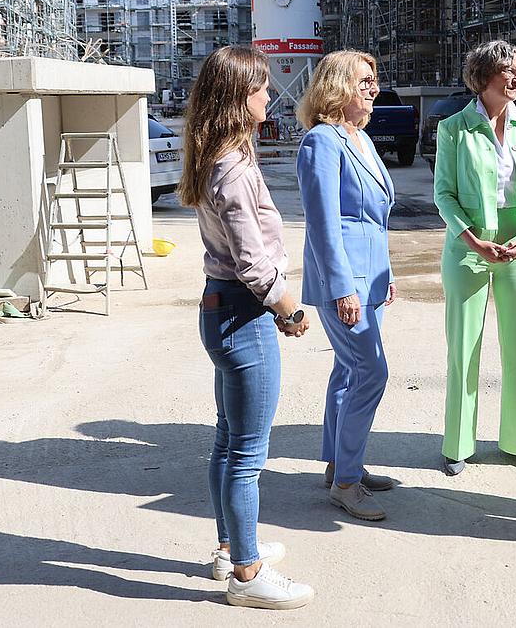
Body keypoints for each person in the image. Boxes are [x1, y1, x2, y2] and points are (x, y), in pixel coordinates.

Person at [178, 46, 313, 609]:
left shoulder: (221, 155)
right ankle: (247, 573)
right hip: (242, 312)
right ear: (238, 99)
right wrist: (289, 309)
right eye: (259, 88)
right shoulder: (232, 169)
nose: (267, 96)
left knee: (227, 441)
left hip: (225, 309)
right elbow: (254, 264)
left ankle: (232, 545)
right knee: (246, 454)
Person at [434, 40, 516, 476]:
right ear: (482, 78)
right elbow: (443, 194)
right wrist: (473, 240)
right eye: (508, 70)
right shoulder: (454, 129)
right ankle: (458, 445)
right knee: (464, 347)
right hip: (468, 245)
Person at [296, 50, 397, 522]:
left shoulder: (360, 138)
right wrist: (342, 289)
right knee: (370, 372)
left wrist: (385, 276)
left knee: (347, 371)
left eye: (374, 79)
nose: (374, 87)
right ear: (337, 87)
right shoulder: (323, 141)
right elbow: (323, 225)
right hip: (343, 283)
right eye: (364, 81)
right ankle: (347, 483)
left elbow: (373, 219)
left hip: (368, 278)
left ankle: (340, 464)